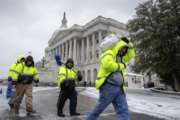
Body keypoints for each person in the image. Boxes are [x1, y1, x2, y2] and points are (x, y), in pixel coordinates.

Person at [86, 35, 135, 120]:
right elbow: (108, 65)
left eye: (125, 49)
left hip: (119, 88)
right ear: (118, 46)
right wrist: (121, 66)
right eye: (123, 48)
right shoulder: (109, 52)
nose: (124, 50)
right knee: (99, 108)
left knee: (123, 110)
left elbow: (131, 55)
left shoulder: (121, 57)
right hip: (108, 86)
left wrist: (129, 44)